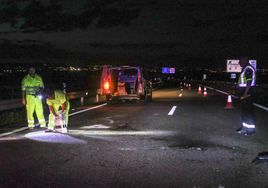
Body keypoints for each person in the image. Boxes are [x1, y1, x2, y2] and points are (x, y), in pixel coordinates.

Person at [236, 57, 256, 136]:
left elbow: (249, 82)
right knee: (245, 111)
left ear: (245, 61)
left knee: (248, 111)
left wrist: (245, 93)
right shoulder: (245, 68)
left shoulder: (248, 69)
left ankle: (250, 131)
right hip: (245, 91)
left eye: (240, 61)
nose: (239, 62)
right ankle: (244, 128)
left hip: (248, 92)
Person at [21, 64, 46, 130]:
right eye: (30, 70)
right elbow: (23, 90)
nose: (32, 71)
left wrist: (40, 91)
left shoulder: (38, 77)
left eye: (33, 70)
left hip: (37, 96)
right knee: (30, 111)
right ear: (28, 70)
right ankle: (31, 125)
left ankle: (43, 124)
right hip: (29, 97)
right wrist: (23, 98)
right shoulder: (25, 79)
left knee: (40, 110)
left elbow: (42, 87)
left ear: (35, 70)